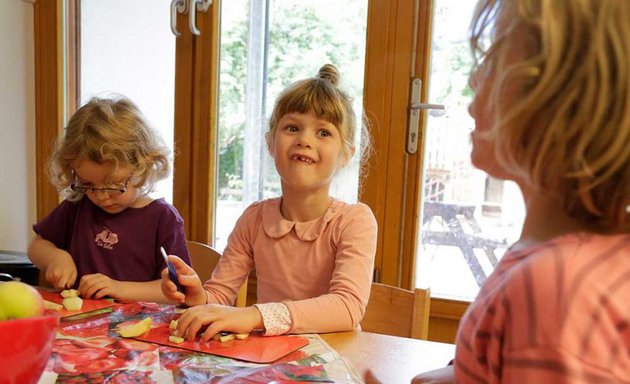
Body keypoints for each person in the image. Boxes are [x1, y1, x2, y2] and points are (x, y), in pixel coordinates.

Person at [411, 0, 630, 383]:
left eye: (494, 57)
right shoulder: (578, 260)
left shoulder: (553, 294)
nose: (474, 80)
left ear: (560, 103)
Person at [161, 64, 378, 341]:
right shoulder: (254, 218)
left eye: (323, 132)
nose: (304, 140)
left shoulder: (354, 221)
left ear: (346, 154)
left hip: (336, 360)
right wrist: (196, 296)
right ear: (270, 142)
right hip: (270, 361)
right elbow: (219, 295)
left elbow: (347, 307)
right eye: (292, 128)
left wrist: (254, 315)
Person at [28, 96, 191, 303]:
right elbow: (36, 246)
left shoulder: (163, 218)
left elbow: (177, 291)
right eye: (87, 184)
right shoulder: (78, 205)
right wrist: (55, 258)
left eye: (113, 184)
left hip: (139, 329)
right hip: (80, 327)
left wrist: (119, 289)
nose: (100, 196)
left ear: (142, 167)